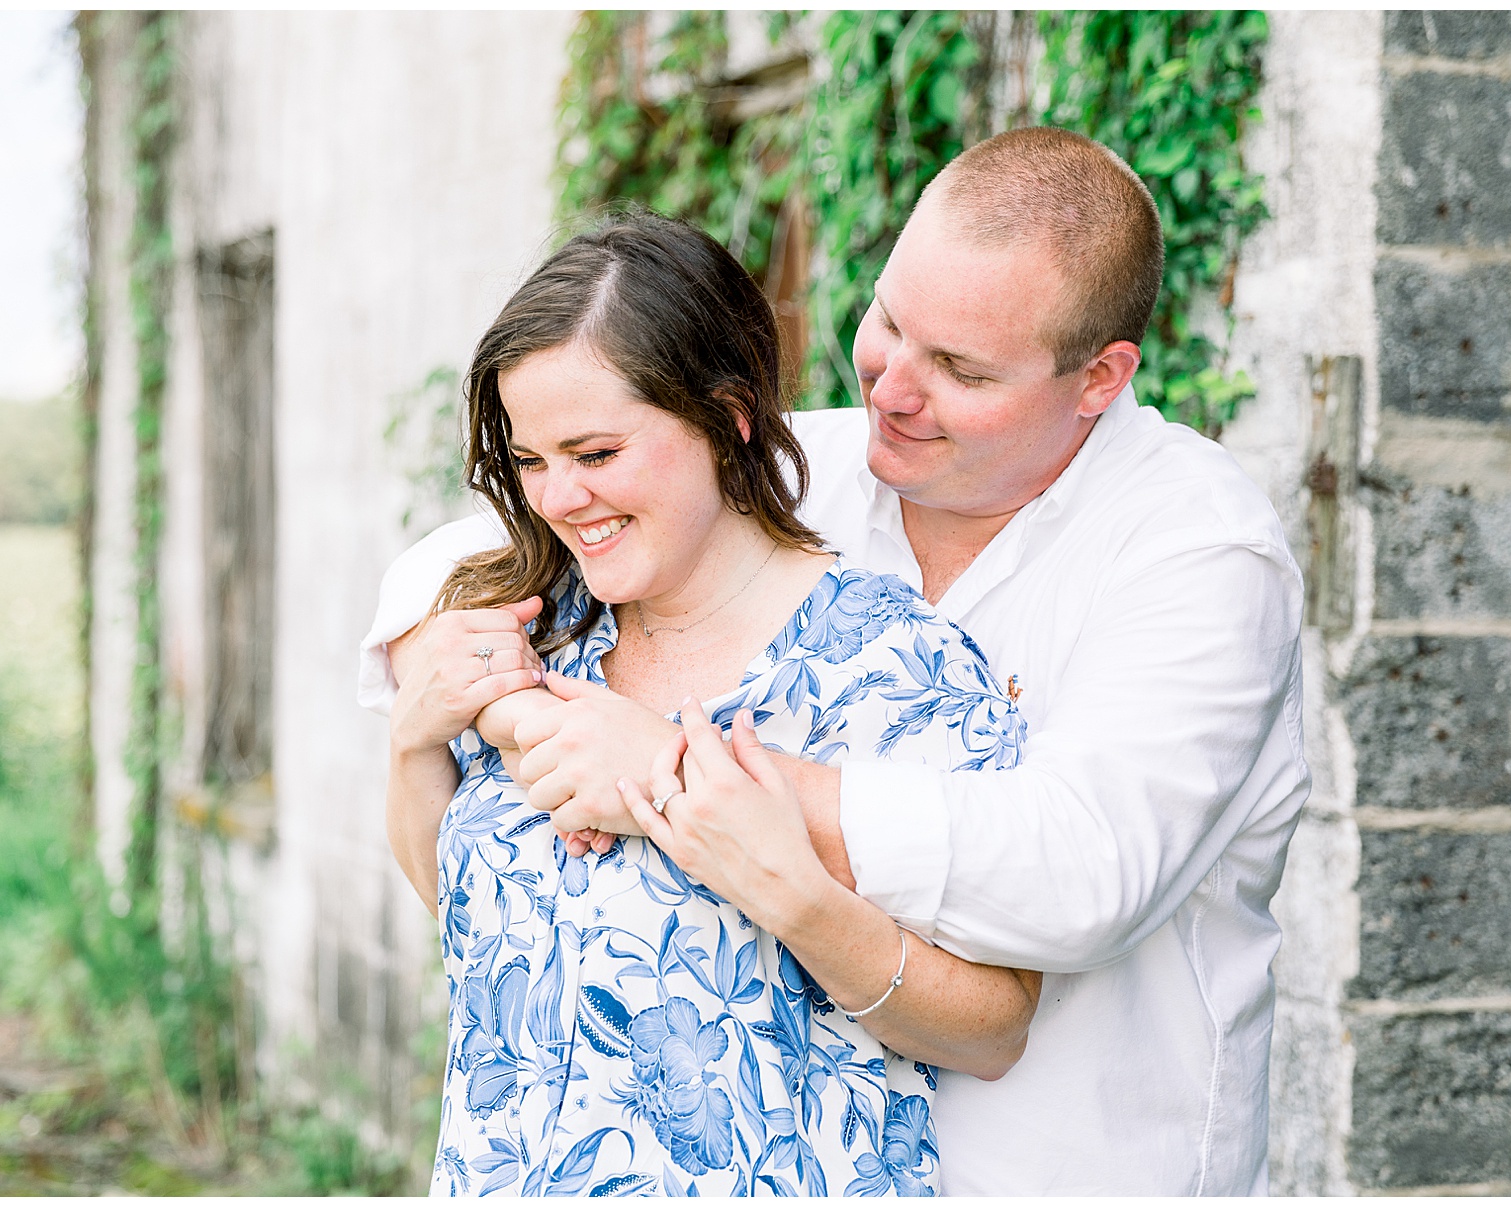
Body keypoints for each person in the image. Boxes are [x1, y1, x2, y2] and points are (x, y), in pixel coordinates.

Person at [364, 128, 1310, 1195]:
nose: (892, 389)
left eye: (957, 366)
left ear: (1098, 378)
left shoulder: (1197, 553)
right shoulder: (832, 471)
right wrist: (490, 704)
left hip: (1085, 1162)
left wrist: (673, 772)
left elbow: (1084, 872)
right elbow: (473, 560)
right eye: (889, 323)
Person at [380, 211, 1040, 1196]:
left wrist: (785, 888)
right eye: (529, 461)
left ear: (728, 416)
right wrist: (412, 743)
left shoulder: (900, 670)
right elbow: (470, 926)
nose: (557, 498)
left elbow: (995, 1028)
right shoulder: (536, 623)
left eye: (595, 454)